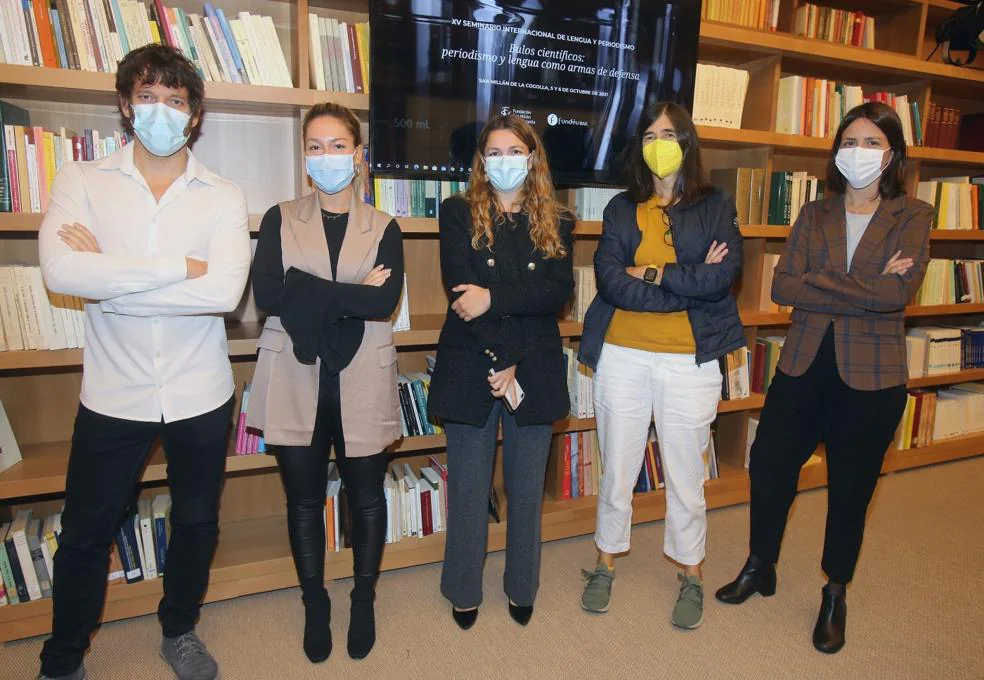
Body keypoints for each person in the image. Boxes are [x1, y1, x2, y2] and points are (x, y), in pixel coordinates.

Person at [36, 45, 251, 680]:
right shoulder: (83, 181)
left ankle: (179, 629)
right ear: (126, 105)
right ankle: (62, 657)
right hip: (113, 393)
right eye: (149, 97)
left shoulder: (222, 195)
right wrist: (174, 269)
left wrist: (113, 281)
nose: (162, 111)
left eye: (176, 100)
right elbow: (61, 270)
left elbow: (223, 294)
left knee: (196, 522)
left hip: (200, 391)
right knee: (84, 533)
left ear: (195, 114)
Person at [715, 102, 933, 654]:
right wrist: (861, 284)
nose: (858, 152)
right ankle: (760, 563)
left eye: (871, 143)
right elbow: (784, 287)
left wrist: (825, 280)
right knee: (768, 468)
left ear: (893, 155)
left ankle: (835, 592)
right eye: (850, 141)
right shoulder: (814, 213)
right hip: (803, 364)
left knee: (851, 490)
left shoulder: (914, 215)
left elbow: (896, 296)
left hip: (874, 377)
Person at [577, 102, 745, 629]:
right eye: (649, 134)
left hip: (688, 362)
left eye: (668, 133)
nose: (658, 142)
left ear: (687, 141)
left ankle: (690, 572)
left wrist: (649, 273)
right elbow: (610, 280)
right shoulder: (620, 208)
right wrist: (682, 280)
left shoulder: (715, 204)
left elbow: (721, 280)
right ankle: (605, 562)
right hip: (622, 355)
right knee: (618, 469)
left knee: (685, 475)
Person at [248, 102, 404, 662]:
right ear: (304, 156)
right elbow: (268, 295)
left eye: (339, 145)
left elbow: (383, 301)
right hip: (294, 375)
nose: (326, 156)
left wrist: (306, 288)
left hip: (361, 377)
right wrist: (351, 292)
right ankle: (316, 601)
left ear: (359, 155)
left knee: (366, 499)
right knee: (304, 502)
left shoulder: (385, 226)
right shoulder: (278, 217)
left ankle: (363, 597)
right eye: (315, 145)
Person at [427, 114, 574, 630]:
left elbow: (555, 294)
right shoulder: (457, 212)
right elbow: (463, 296)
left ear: (532, 158)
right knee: (468, 489)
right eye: (494, 151)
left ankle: (521, 587)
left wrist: (502, 316)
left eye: (515, 150)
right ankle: (463, 590)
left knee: (526, 489)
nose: (504, 160)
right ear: (481, 161)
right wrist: (503, 349)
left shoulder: (558, 220)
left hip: (531, 366)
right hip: (472, 363)